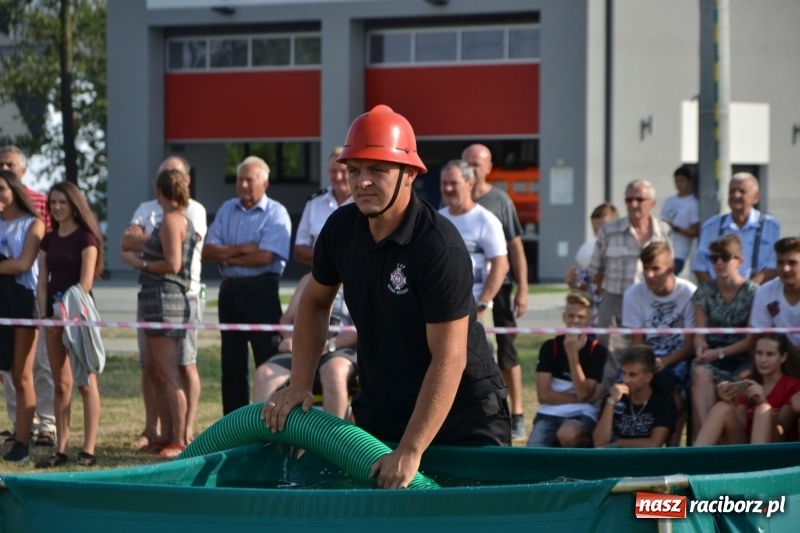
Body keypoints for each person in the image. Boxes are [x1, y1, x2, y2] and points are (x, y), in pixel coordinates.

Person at [263, 105, 511, 489]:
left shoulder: (437, 245)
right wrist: (299, 384)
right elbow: (314, 302)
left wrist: (411, 449)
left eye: (378, 169)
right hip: (383, 408)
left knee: (472, 512)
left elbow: (450, 357)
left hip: (463, 414)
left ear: (410, 173)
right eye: (354, 170)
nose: (362, 181)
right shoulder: (340, 228)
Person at [120, 156, 207, 451]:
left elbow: (173, 264)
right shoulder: (176, 218)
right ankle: (165, 435)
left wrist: (140, 262)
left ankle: (179, 439)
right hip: (156, 299)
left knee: (169, 374)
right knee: (158, 373)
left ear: (160, 191)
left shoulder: (172, 219)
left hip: (166, 301)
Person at [203, 156, 292, 414]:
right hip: (229, 291)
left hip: (262, 292)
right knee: (231, 365)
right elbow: (208, 251)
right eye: (239, 179)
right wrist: (245, 248)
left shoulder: (276, 213)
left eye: (249, 180)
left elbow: (265, 257)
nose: (242, 185)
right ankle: (234, 424)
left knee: (268, 361)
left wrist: (226, 254)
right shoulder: (226, 209)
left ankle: (273, 419)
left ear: (265, 183)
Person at [462, 143, 528, 440]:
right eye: (467, 162)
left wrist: (523, 288)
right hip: (466, 291)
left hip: (499, 288)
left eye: (477, 163)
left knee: (506, 350)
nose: (472, 168)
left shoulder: (499, 201)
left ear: (489, 168)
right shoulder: (453, 197)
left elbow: (515, 246)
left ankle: (517, 412)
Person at [38, 182, 104, 467]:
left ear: (74, 205)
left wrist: (63, 316)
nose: (57, 207)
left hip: (78, 318)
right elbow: (42, 282)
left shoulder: (87, 239)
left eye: (62, 202)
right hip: (52, 318)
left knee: (86, 384)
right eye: (53, 202)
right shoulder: (48, 240)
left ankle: (88, 450)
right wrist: (45, 317)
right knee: (61, 385)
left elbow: (85, 284)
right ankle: (62, 449)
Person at [589, 180, 672, 389]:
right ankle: (607, 402)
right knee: (609, 359)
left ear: (652, 203)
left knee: (644, 358)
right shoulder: (610, 230)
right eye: (629, 199)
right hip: (615, 302)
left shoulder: (663, 231)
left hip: (651, 303)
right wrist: (610, 296)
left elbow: (670, 267)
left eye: (639, 199)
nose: (633, 204)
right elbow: (596, 270)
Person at [0, 145, 56, 448]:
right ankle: (19, 424)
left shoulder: (37, 212)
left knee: (35, 368)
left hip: (28, 297)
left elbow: (24, 263)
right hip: (2, 298)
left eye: (9, 165)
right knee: (10, 370)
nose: (4, 168)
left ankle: (44, 425)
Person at [253, 273, 358, 419]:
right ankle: (261, 429)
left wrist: (331, 344)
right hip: (304, 343)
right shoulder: (309, 279)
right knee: (263, 375)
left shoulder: (356, 279)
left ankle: (334, 432)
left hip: (340, 346)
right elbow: (287, 319)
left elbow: (360, 328)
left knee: (334, 373)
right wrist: (289, 337)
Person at [622, 242, 695, 446]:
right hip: (646, 358)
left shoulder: (689, 292)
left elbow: (690, 346)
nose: (649, 274)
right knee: (622, 391)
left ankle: (671, 451)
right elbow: (637, 345)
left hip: (678, 358)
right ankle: (625, 447)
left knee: (675, 398)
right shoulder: (633, 294)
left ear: (671, 268)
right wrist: (649, 365)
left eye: (655, 268)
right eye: (645, 268)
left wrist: (664, 362)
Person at [690, 234, 757, 440]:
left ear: (739, 261)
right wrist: (700, 346)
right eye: (714, 258)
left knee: (745, 377)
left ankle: (732, 442)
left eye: (725, 257)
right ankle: (707, 440)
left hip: (742, 357)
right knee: (700, 374)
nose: (719, 263)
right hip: (711, 356)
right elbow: (700, 333)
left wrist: (719, 353)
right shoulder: (704, 291)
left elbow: (750, 340)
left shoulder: (753, 292)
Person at [527, 292, 608, 448]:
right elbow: (543, 396)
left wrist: (572, 354)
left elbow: (583, 392)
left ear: (591, 320)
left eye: (581, 316)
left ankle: (586, 445)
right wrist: (586, 398)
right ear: (564, 317)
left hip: (581, 413)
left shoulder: (597, 351)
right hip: (549, 413)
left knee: (567, 434)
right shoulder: (550, 347)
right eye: (571, 316)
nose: (575, 321)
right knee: (532, 455)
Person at [438, 159, 509, 329]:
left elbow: (501, 265)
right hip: (442, 309)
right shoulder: (437, 219)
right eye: (444, 183)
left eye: (454, 183)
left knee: (482, 348)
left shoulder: (486, 220)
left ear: (470, 184)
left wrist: (482, 303)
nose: (448, 188)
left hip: (476, 309)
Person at [694, 334, 800, 445]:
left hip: (778, 446)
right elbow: (742, 423)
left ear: (783, 357)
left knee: (763, 410)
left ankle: (756, 456)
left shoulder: (793, 385)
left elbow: (782, 430)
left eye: (770, 354)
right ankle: (696, 454)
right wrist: (729, 399)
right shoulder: (748, 381)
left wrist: (763, 402)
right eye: (759, 353)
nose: (763, 360)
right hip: (745, 443)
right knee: (722, 407)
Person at [692, 172, 780, 285]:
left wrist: (748, 290)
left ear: (756, 197)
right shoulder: (712, 226)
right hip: (719, 293)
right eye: (732, 191)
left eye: (742, 191)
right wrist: (717, 291)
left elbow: (773, 266)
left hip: (759, 292)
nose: (736, 195)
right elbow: (699, 266)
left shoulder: (770, 226)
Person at [592, 346, 677, 448]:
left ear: (648, 377)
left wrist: (619, 442)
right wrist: (611, 402)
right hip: (616, 457)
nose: (626, 380)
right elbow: (599, 443)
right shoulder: (614, 398)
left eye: (632, 375)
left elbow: (654, 444)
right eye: (624, 373)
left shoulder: (663, 402)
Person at [749, 237, 800, 376]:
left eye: (792, 263)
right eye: (780, 263)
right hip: (781, 362)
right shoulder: (765, 292)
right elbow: (762, 337)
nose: (785, 269)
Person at [294, 147, 352, 265]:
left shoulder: (364, 203)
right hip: (320, 274)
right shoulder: (314, 203)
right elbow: (299, 250)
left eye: (343, 171)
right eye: (333, 171)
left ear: (353, 172)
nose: (338, 177)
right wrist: (332, 259)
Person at [564, 202, 619, 319]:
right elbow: (585, 291)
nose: (599, 233)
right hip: (594, 319)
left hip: (617, 318)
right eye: (595, 229)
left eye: (603, 228)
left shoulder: (626, 253)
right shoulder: (589, 253)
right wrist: (572, 284)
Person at [660, 165, 699, 275]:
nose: (679, 184)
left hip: (679, 253)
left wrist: (676, 228)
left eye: (682, 181)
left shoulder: (693, 203)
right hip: (663, 248)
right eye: (676, 181)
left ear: (689, 182)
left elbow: (695, 231)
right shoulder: (669, 201)